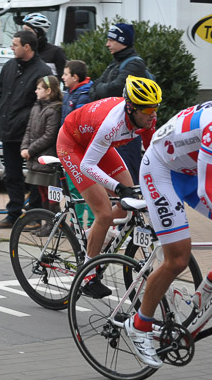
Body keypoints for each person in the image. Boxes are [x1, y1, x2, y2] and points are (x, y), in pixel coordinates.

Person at [122, 100, 212, 369]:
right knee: (177, 259)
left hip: (194, 168)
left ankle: (207, 293)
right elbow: (207, 191)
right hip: (162, 171)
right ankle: (139, 325)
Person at [56, 76, 160, 298]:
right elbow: (87, 165)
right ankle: (87, 274)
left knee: (127, 204)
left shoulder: (147, 119)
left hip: (96, 145)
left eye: (155, 107)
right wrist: (117, 187)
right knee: (103, 213)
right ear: (131, 108)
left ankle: (93, 235)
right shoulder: (112, 124)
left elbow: (153, 154)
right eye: (148, 109)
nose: (153, 114)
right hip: (73, 146)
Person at [0, 30, 52, 229]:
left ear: (27, 47)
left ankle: (33, 215)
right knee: (12, 174)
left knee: (33, 175)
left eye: (15, 44)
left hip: (30, 134)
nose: (11, 47)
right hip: (8, 130)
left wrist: (23, 119)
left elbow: (43, 102)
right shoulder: (10, 66)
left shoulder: (42, 71)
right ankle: (13, 214)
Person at [89, 22, 152, 183]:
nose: (107, 44)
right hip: (113, 127)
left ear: (122, 41)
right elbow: (94, 88)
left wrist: (100, 89)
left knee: (127, 177)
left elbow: (115, 89)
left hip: (128, 130)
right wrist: (102, 89)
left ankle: (131, 207)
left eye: (111, 40)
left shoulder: (134, 63)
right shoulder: (117, 62)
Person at [20, 75, 62, 235]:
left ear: (49, 91)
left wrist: (30, 150)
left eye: (39, 88)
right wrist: (24, 147)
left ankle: (55, 225)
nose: (36, 91)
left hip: (47, 158)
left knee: (52, 193)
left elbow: (49, 136)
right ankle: (47, 223)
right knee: (42, 192)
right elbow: (29, 130)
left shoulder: (54, 110)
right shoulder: (36, 107)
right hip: (36, 159)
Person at [61, 59, 95, 227]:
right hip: (69, 147)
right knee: (73, 186)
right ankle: (77, 223)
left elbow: (81, 125)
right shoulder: (70, 92)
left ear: (75, 77)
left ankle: (92, 224)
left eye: (66, 74)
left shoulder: (85, 95)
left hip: (81, 149)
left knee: (89, 186)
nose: (62, 77)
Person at [22, 12, 67, 78]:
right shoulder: (24, 51)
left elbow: (63, 77)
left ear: (38, 32)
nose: (24, 34)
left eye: (28, 30)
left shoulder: (56, 52)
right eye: (24, 30)